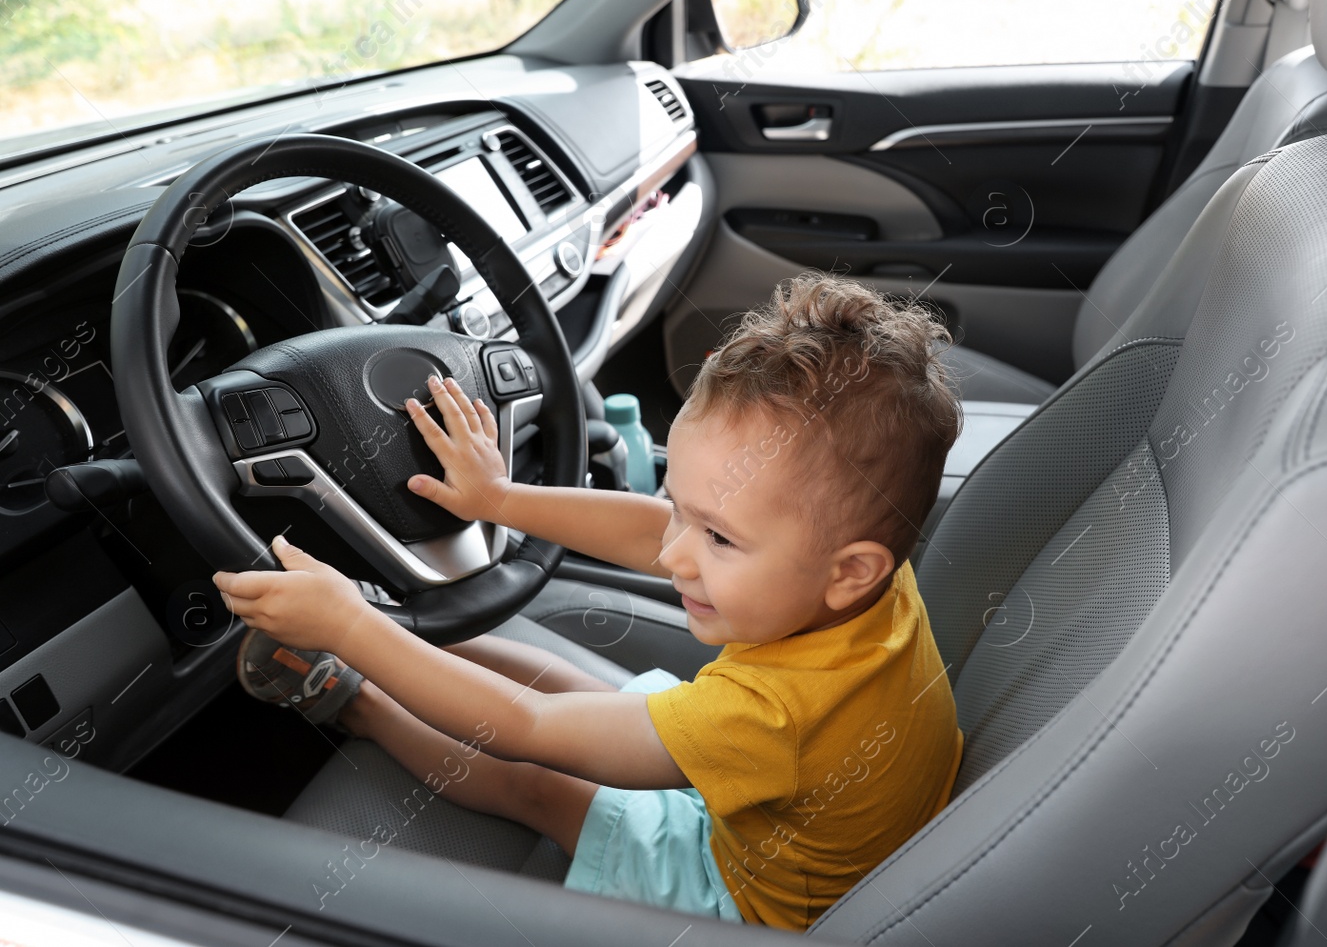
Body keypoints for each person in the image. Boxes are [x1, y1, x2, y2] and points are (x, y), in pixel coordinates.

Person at [214, 271, 965, 931]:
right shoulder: (867, 569)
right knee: (568, 680)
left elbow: (525, 728)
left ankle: (357, 699)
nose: (674, 553)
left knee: (538, 781)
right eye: (682, 509)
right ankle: (392, 633)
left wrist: (350, 621)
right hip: (779, 804)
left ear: (849, 572)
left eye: (719, 540)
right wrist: (500, 498)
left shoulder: (772, 714)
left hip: (739, 903)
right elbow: (650, 531)